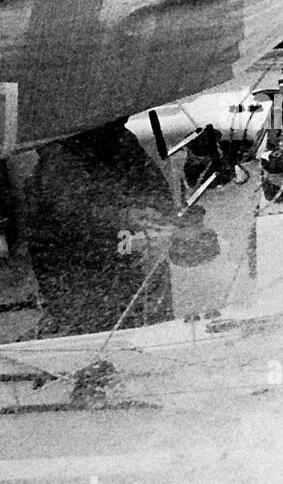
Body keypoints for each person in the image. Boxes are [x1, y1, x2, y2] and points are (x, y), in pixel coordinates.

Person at [29, 117, 175, 336]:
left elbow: (158, 191)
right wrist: (125, 217)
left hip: (120, 248)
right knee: (99, 321)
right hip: (77, 262)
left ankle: (151, 326)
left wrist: (151, 210)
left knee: (155, 259)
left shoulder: (120, 140)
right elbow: (73, 215)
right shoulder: (59, 156)